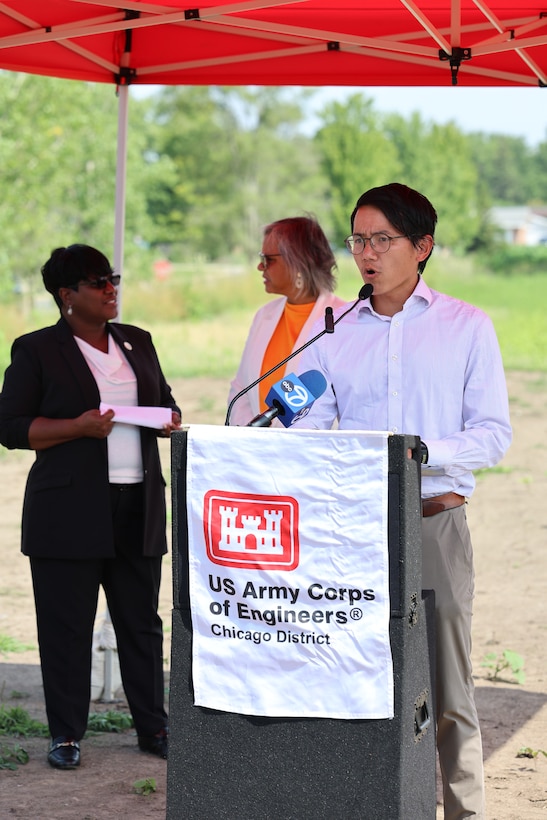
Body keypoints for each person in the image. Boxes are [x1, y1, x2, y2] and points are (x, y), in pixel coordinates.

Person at [293, 183, 512, 820]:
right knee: (357, 678)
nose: (366, 253)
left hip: (433, 524)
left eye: (382, 240)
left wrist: (419, 453)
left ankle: (464, 811)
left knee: (447, 688)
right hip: (355, 531)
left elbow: (493, 433)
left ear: (422, 247)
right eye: (358, 239)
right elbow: (315, 417)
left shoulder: (466, 326)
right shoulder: (333, 329)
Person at [0, 244, 181, 770]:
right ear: (67, 295)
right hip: (69, 509)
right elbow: (10, 428)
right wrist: (77, 427)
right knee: (67, 626)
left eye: (113, 279)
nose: (111, 289)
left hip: (139, 501)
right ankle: (66, 735)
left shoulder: (137, 341)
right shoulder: (36, 350)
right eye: (98, 282)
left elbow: (164, 400)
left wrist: (166, 418)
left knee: (142, 624)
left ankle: (154, 726)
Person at [227, 216, 346, 426]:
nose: (260, 267)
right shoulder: (264, 315)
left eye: (268, 260)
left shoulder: (343, 320)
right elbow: (241, 388)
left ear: (298, 262)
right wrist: (250, 435)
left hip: (310, 453)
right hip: (254, 451)